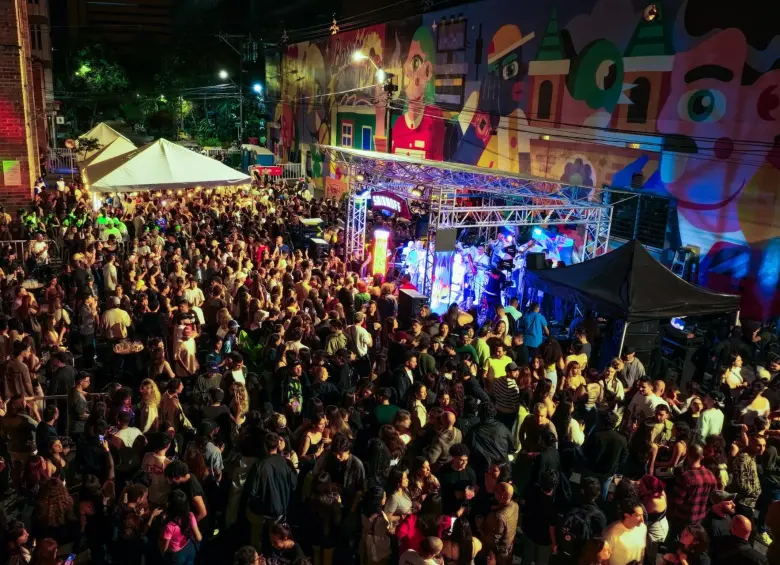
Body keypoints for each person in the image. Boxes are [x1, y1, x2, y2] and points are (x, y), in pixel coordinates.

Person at [243, 432, 298, 550]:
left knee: (256, 539)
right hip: (279, 511)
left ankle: (256, 558)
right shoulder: (286, 463)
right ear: (278, 445)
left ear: (264, 446)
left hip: (260, 511)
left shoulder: (259, 465)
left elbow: (251, 490)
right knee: (276, 539)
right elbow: (293, 485)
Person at [159, 489, 202, 565]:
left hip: (176, 555)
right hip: (190, 548)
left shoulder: (169, 525)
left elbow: (164, 549)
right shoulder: (190, 515)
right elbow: (199, 538)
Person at [602, 498, 647, 565]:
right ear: (626, 516)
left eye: (642, 515)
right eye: (638, 516)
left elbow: (642, 552)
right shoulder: (612, 532)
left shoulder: (643, 528)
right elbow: (604, 559)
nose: (642, 520)